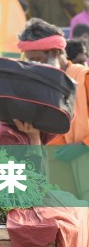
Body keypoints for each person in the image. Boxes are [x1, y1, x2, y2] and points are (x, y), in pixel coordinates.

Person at [17, 17, 89, 201]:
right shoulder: (37, 83)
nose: (34, 66)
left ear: (55, 53)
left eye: (37, 60)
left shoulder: (83, 77)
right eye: (30, 61)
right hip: (52, 165)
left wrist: (82, 146)